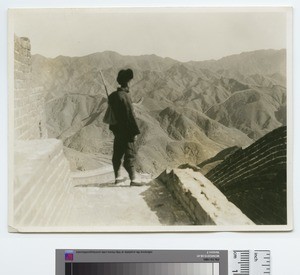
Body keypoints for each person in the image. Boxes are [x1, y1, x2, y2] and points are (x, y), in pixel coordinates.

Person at [108, 69, 142, 186]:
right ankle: (133, 179)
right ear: (128, 82)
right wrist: (135, 132)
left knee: (117, 154)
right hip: (127, 130)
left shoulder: (112, 96)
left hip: (117, 130)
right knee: (130, 155)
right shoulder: (125, 96)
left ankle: (118, 178)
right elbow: (130, 116)